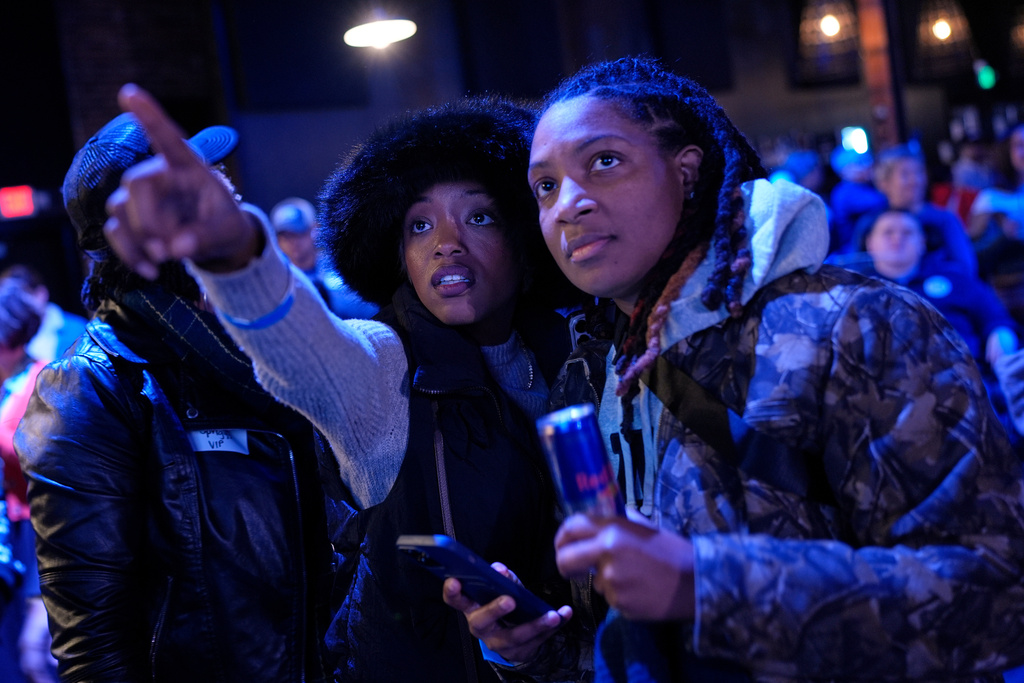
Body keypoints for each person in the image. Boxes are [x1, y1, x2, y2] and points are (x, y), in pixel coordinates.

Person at [496, 56, 1023, 681]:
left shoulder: (853, 325)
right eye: (545, 187)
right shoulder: (594, 375)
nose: (567, 206)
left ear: (687, 171)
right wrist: (538, 649)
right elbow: (638, 637)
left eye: (604, 162)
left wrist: (707, 585)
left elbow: (996, 596)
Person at [101, 85, 588, 682]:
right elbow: (313, 354)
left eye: (479, 215)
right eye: (418, 226)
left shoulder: (582, 355)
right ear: (397, 254)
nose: (446, 243)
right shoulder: (388, 365)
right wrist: (236, 256)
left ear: (522, 233)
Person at [13, 112, 333, 683]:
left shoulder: (277, 338)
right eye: (198, 184)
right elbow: (95, 652)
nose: (228, 190)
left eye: (218, 176)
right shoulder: (92, 386)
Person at [0, 279, 51, 683]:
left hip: (32, 530)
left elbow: (39, 464)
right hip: (5, 531)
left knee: (33, 655)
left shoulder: (42, 382)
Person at [870, 142, 978, 277]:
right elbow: (859, 269)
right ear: (883, 183)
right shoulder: (872, 222)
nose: (915, 181)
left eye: (918, 172)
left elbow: (966, 269)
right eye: (905, 174)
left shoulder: (943, 219)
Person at [269, 196, 378, 319]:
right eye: (286, 236)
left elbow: (369, 310)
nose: (293, 242)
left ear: (315, 229)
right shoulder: (275, 279)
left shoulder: (340, 266)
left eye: (300, 232)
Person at [969, 123, 1024, 322]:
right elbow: (973, 255)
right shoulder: (991, 199)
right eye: (1020, 145)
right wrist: (1003, 237)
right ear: (1007, 151)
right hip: (1011, 292)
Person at [0, 265, 88, 364]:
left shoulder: (78, 329)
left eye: (23, 296)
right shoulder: (10, 339)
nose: (16, 306)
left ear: (41, 293)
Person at [826, 147, 886, 255]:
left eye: (865, 162)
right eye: (859, 164)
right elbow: (885, 202)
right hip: (855, 254)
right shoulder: (846, 192)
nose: (866, 167)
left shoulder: (862, 186)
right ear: (844, 171)